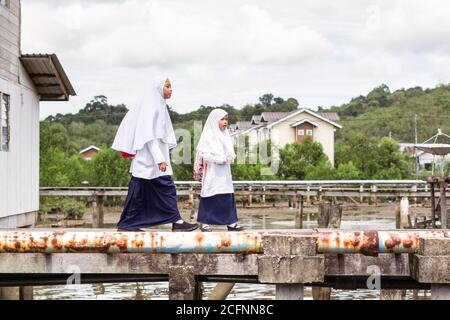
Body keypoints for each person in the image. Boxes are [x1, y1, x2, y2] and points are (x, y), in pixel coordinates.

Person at [112, 76, 199, 232]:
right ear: (159, 88)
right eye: (167, 86)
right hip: (148, 161)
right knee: (154, 191)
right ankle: (129, 224)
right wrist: (160, 159)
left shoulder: (159, 106)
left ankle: (173, 221)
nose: (171, 89)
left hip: (151, 163)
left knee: (148, 192)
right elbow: (149, 136)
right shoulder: (152, 107)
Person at [194, 109, 244, 232]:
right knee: (209, 195)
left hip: (225, 173)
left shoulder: (225, 134)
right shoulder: (208, 135)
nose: (225, 122)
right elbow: (205, 155)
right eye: (222, 119)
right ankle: (205, 223)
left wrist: (231, 157)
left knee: (227, 195)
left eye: (226, 119)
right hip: (212, 171)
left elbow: (230, 152)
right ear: (215, 120)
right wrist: (221, 159)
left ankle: (232, 223)